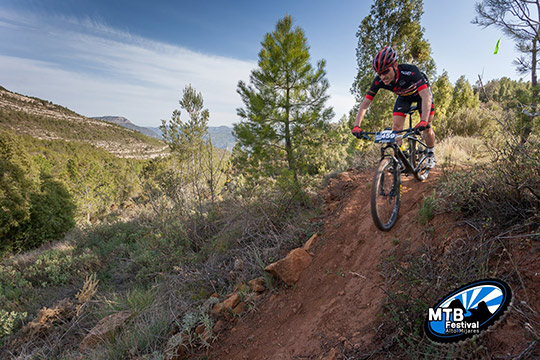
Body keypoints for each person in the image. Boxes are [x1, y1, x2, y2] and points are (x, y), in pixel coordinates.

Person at [352, 46, 436, 168]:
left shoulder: (410, 71)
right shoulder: (379, 81)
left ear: (395, 65)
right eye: (379, 74)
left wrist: (423, 121)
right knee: (396, 128)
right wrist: (357, 125)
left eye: (385, 71)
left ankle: (430, 154)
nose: (382, 77)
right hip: (404, 97)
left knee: (427, 127)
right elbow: (365, 103)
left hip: (421, 95)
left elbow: (426, 95)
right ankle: (401, 156)